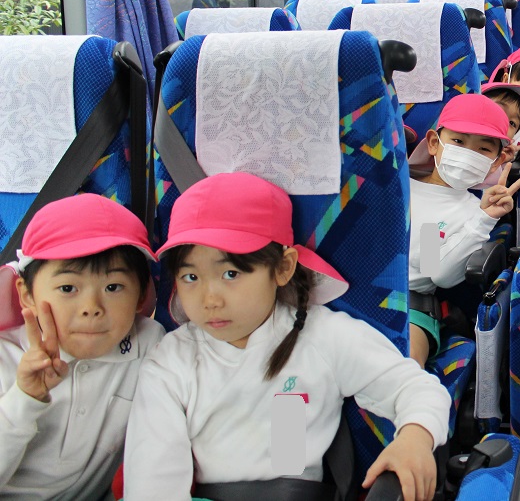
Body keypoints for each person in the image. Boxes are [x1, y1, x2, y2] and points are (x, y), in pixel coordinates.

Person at [125, 172, 453, 501]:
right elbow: (154, 480)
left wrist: (415, 437)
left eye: (231, 273)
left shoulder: (323, 337)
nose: (210, 299)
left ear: (283, 268)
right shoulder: (170, 361)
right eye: (190, 277)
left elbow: (415, 388)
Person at [0, 195, 163, 501]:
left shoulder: (150, 345)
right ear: (27, 295)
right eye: (68, 288)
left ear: (141, 295)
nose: (91, 307)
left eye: (113, 287)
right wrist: (24, 397)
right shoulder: (5, 358)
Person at [406, 94, 520, 367]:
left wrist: (484, 219)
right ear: (433, 143)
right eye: (459, 142)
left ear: (496, 161)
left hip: (411, 305)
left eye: (483, 149)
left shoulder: (471, 212)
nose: (468, 154)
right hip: (356, 292)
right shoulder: (399, 183)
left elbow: (434, 271)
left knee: (405, 364)